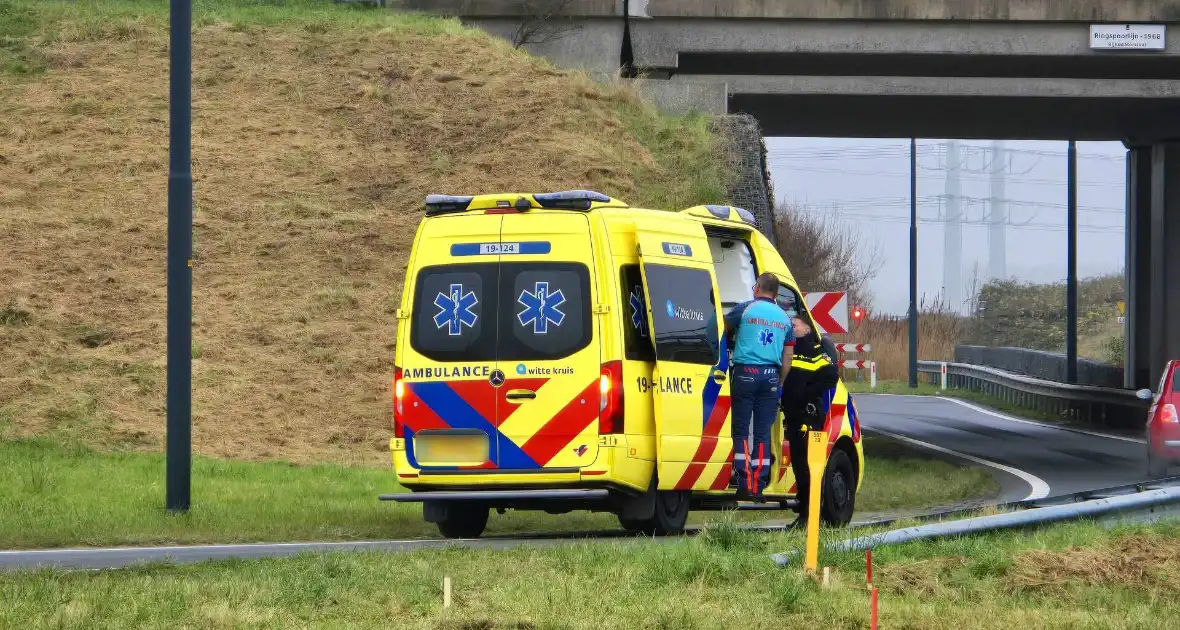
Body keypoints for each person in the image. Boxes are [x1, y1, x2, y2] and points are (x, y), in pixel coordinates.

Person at [724, 273, 794, 499]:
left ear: (757, 288)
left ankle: (744, 482)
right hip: (771, 376)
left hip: (745, 373)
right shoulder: (785, 319)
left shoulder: (744, 309)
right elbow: (788, 357)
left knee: (742, 429)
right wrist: (780, 382)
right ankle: (759, 484)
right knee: (763, 431)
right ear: (775, 294)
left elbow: (721, 328)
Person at [780, 315, 840, 526]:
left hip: (809, 417)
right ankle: (805, 514)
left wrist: (806, 393)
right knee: (798, 467)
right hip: (794, 417)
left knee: (809, 468)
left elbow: (831, 376)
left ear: (807, 329)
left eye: (794, 325)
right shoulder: (788, 350)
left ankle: (810, 515)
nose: (791, 328)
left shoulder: (815, 352)